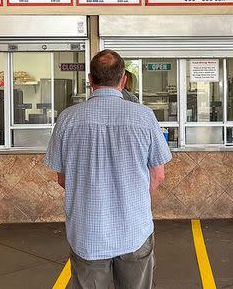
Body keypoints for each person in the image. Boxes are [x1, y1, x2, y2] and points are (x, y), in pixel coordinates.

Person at [45, 49, 172, 289]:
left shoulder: (67, 118)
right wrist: (131, 198)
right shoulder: (144, 117)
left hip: (87, 233)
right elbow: (158, 174)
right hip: (134, 228)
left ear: (90, 80)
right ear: (123, 79)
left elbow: (63, 178)